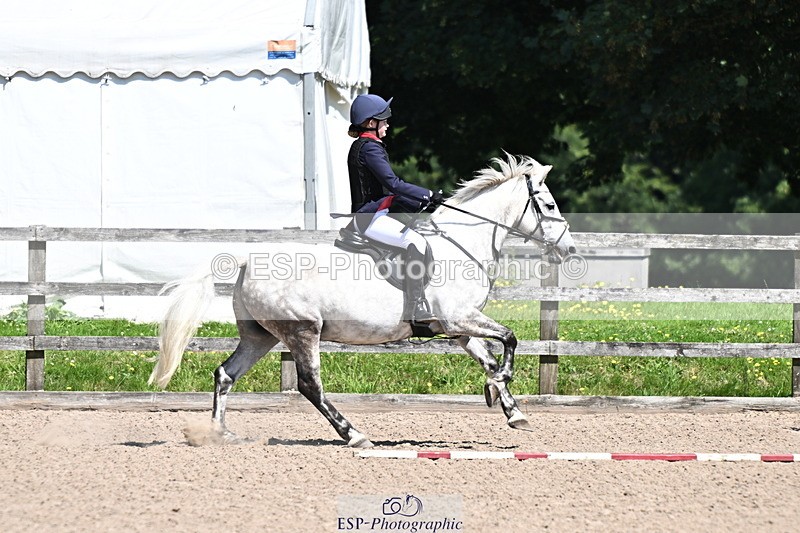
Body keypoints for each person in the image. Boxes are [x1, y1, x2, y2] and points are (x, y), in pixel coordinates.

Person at [347, 94, 443, 324]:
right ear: (371, 123)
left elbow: (387, 192)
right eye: (384, 120)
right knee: (416, 242)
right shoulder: (369, 148)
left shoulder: (368, 146)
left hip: (376, 212)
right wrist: (426, 194)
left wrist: (419, 203)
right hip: (369, 218)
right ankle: (415, 308)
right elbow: (393, 184)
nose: (388, 124)